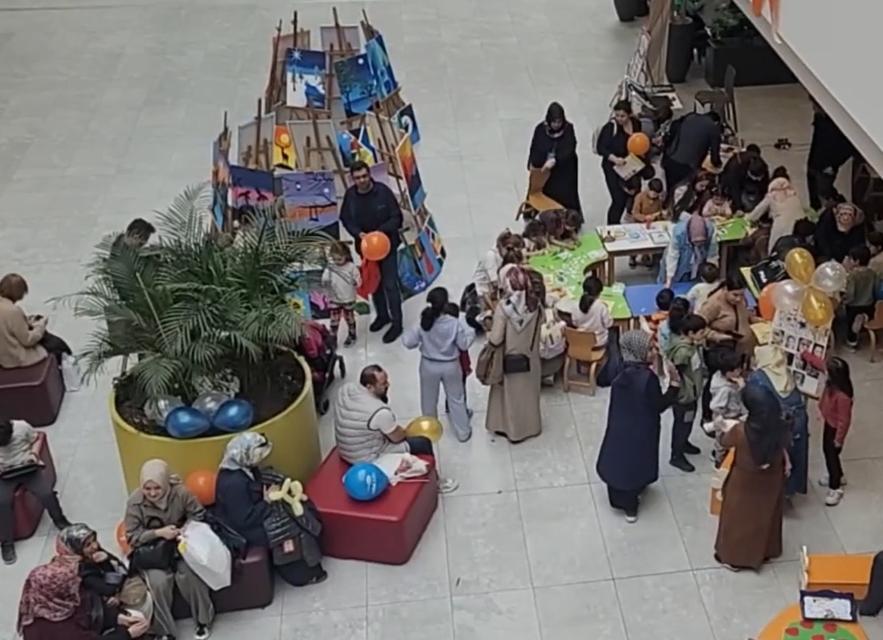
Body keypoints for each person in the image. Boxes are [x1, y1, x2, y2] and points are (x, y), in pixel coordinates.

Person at [215, 433, 326, 586]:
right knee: (288, 529)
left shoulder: (244, 468)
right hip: (245, 528)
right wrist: (267, 501)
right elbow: (243, 519)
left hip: (256, 510)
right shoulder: (233, 484)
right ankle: (299, 573)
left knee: (301, 509)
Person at [124, 459, 214, 640]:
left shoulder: (181, 493)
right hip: (154, 554)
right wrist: (158, 533)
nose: (152, 493)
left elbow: (199, 514)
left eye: (157, 488)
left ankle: (203, 620)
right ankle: (164, 631)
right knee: (158, 584)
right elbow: (132, 536)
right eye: (147, 489)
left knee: (191, 576)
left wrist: (185, 529)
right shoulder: (135, 503)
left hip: (182, 546)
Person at [596, 331, 680, 522]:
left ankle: (619, 499)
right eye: (650, 348)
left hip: (620, 425)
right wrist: (674, 385)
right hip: (641, 427)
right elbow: (658, 405)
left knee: (619, 460)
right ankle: (631, 508)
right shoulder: (646, 378)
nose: (654, 351)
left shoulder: (619, 369)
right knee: (635, 464)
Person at [17, 525, 150, 640]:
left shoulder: (63, 597)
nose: (95, 546)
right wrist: (127, 634)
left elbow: (86, 606)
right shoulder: (54, 630)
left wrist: (117, 618)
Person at [713, 384, 790, 572]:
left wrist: (722, 427)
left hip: (745, 479)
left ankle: (734, 557)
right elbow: (783, 445)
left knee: (738, 518)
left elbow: (724, 441)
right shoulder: (782, 422)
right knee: (766, 514)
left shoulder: (741, 431)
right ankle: (765, 551)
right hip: (772, 475)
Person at [340, 161, 404, 343]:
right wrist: (359, 234)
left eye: (364, 176)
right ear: (352, 179)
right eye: (357, 178)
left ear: (370, 175)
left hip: (387, 246)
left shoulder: (383, 192)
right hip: (366, 250)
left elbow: (396, 217)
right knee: (374, 283)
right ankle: (382, 315)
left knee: (390, 285)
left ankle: (397, 323)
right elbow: (345, 219)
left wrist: (380, 232)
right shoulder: (350, 196)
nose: (361, 180)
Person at [402, 287, 476, 442]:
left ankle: (429, 432)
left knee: (428, 400)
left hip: (428, 365)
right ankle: (463, 432)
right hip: (451, 366)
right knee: (456, 398)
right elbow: (463, 345)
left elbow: (408, 342)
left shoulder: (424, 322)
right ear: (445, 304)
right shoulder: (454, 323)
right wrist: (471, 333)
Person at [0, 419, 70, 564]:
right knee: (3, 503)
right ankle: (6, 542)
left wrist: (34, 455)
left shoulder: (21, 426)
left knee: (46, 494)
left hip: (28, 467)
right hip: (5, 474)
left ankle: (60, 520)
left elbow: (37, 439)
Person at [485, 267, 542, 443]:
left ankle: (513, 432)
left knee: (508, 397)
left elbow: (496, 339)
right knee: (528, 395)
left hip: (509, 360)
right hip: (530, 358)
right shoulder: (535, 304)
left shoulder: (504, 309)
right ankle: (531, 427)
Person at [334, 365, 434, 464]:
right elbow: (397, 438)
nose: (388, 385)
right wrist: (403, 430)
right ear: (370, 387)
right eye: (383, 383)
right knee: (423, 442)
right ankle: (433, 475)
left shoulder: (345, 389)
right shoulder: (379, 411)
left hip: (345, 451)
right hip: (366, 457)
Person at [749, 345, 809, 499]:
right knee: (796, 454)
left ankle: (775, 491)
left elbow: (753, 399)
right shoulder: (786, 372)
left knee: (777, 457)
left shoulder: (759, 377)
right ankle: (791, 489)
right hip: (798, 422)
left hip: (775, 423)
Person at [66, 523, 154, 622]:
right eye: (88, 545)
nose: (95, 546)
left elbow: (121, 569)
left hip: (120, 592)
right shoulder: (84, 572)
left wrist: (107, 560)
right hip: (107, 611)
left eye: (94, 540)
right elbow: (109, 589)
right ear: (78, 551)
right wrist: (105, 563)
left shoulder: (94, 554)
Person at [800, 352, 853, 506]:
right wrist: (805, 355)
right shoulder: (836, 382)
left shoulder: (843, 396)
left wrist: (838, 440)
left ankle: (835, 487)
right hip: (829, 423)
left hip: (835, 429)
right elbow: (820, 364)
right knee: (829, 453)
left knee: (831, 455)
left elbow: (844, 421)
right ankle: (838, 475)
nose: (825, 372)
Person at [664, 313, 708, 472]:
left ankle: (684, 443)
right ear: (690, 333)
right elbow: (678, 374)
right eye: (701, 332)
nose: (704, 335)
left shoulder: (693, 346)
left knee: (688, 422)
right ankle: (676, 455)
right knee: (682, 424)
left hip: (693, 393)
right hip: (685, 397)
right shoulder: (683, 352)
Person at [0, 273, 71, 368]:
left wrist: (27, 321)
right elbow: (28, 340)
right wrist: (40, 326)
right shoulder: (13, 310)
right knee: (58, 347)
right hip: (14, 358)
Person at [527, 102, 581, 212]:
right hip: (545, 170)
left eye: (559, 122)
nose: (557, 125)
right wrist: (532, 162)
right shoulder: (540, 129)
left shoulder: (568, 129)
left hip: (564, 169)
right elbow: (534, 146)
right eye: (554, 122)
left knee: (564, 194)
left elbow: (570, 147)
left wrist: (555, 160)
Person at [597, 100, 642, 225]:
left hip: (631, 164)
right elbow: (601, 147)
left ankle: (628, 215)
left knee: (632, 193)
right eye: (617, 115)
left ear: (629, 115)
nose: (619, 119)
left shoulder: (636, 124)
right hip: (613, 167)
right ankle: (612, 225)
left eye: (622, 116)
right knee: (618, 199)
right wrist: (615, 159)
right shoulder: (611, 127)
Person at [698, 272, 757, 364]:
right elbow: (698, 325)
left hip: (742, 349)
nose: (739, 299)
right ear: (725, 289)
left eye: (742, 295)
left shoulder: (740, 300)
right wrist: (716, 336)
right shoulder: (713, 303)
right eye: (735, 295)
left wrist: (754, 319)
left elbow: (744, 315)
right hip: (722, 351)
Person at [807, 100, 855, 210]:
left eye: (816, 106)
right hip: (815, 161)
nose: (814, 108)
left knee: (824, 190)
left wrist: (833, 165)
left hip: (827, 165)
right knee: (815, 185)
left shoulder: (836, 127)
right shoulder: (820, 119)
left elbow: (847, 148)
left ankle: (839, 207)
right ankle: (815, 207)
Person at [745, 175, 806, 255]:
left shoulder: (772, 196)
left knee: (775, 251)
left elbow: (755, 214)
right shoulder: (793, 194)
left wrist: (747, 216)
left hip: (782, 227)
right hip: (801, 226)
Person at [663, 111, 722, 192]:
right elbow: (715, 156)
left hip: (670, 156)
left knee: (667, 188)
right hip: (686, 165)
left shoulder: (690, 116)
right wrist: (718, 164)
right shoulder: (713, 127)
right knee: (679, 191)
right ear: (716, 122)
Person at [707, 350, 747, 466]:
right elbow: (716, 406)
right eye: (736, 370)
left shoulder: (719, 376)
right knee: (723, 442)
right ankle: (720, 461)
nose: (740, 371)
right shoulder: (724, 389)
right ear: (728, 372)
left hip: (731, 415)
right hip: (726, 417)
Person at [659, 212, 718, 286]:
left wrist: (711, 274)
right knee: (674, 281)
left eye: (701, 242)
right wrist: (669, 278)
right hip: (681, 255)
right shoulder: (679, 232)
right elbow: (673, 255)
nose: (699, 244)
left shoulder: (710, 229)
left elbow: (712, 253)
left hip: (699, 256)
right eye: (696, 242)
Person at [321, 241, 361, 347]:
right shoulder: (330, 267)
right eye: (334, 259)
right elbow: (324, 279)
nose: (337, 262)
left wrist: (356, 282)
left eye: (339, 259)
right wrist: (325, 281)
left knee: (349, 317)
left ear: (346, 256)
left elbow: (358, 280)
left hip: (348, 298)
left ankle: (352, 335)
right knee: (334, 320)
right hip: (334, 298)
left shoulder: (351, 267)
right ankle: (333, 338)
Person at [472, 230, 522, 311]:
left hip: (493, 291)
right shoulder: (491, 256)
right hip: (485, 293)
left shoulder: (499, 253)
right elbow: (494, 282)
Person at [844, 245, 879, 348]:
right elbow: (876, 288)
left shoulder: (852, 276)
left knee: (850, 323)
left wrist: (845, 301)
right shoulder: (872, 273)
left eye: (851, 259)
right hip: (869, 303)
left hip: (854, 305)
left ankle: (852, 342)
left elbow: (851, 293)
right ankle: (865, 317)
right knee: (864, 315)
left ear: (857, 261)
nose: (849, 261)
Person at [719, 145, 769, 212]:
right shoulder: (734, 167)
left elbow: (765, 182)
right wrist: (739, 207)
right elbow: (734, 189)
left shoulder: (761, 164)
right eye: (755, 178)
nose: (758, 179)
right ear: (749, 171)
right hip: (733, 177)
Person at [570, 276, 612, 346]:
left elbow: (575, 323)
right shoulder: (601, 306)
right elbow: (608, 324)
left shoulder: (576, 305)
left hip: (581, 340)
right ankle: (614, 356)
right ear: (598, 293)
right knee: (614, 332)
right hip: (598, 342)